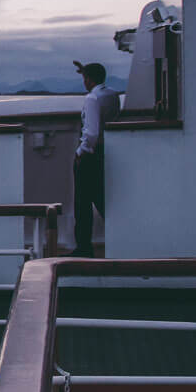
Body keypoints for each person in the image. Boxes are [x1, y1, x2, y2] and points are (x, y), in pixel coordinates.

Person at [72, 61, 121, 257]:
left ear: (89, 79)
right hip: (105, 152)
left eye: (85, 77)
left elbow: (91, 132)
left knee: (82, 203)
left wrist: (81, 152)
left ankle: (84, 248)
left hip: (90, 156)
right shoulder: (112, 95)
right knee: (102, 200)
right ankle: (120, 237)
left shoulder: (92, 98)